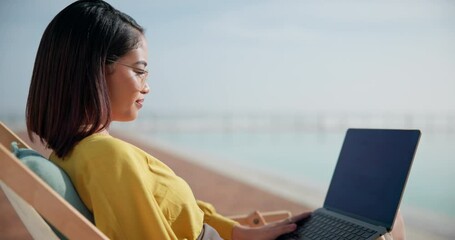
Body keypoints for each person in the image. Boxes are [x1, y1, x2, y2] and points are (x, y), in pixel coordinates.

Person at [25, 1, 404, 239]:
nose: (147, 86)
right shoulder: (108, 158)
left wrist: (240, 233)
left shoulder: (74, 154)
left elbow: (174, 217)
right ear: (94, 70)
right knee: (387, 225)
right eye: (139, 71)